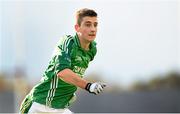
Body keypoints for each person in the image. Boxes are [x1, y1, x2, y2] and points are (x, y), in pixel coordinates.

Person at [20, 8, 106, 114]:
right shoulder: (68, 42)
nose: (93, 29)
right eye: (88, 25)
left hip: (61, 108)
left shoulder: (92, 49)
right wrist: (88, 86)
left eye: (95, 25)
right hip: (40, 105)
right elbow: (62, 72)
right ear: (77, 28)